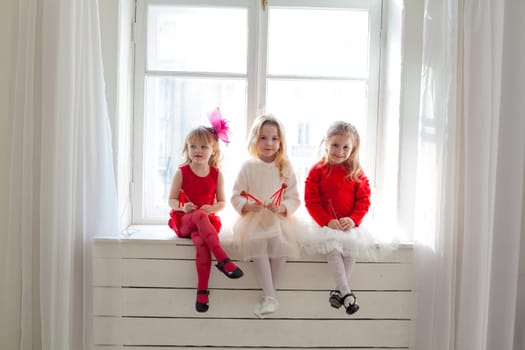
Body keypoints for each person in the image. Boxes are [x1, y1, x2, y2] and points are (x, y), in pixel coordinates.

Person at [168, 108, 243, 313]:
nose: (197, 150)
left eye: (203, 146)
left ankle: (202, 293)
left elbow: (222, 203)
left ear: (213, 150)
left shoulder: (217, 174)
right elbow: (171, 200)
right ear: (187, 148)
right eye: (193, 146)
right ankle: (223, 260)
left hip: (205, 224)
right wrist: (183, 207)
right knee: (199, 215)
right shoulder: (182, 172)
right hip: (184, 221)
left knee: (201, 242)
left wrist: (213, 208)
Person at [231, 114, 301, 318]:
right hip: (254, 218)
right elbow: (235, 194)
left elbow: (294, 198)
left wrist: (282, 208)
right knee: (257, 245)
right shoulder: (248, 167)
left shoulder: (285, 167)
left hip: (278, 218)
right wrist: (247, 206)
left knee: (281, 246)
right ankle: (270, 297)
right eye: (263, 137)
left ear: (281, 142)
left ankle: (271, 296)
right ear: (255, 139)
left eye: (274, 138)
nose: (269, 143)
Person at [303, 121, 372, 315]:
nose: (340, 151)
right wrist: (326, 221)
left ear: (353, 148)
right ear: (326, 143)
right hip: (326, 224)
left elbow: (364, 200)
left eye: (345, 147)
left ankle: (339, 291)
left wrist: (354, 219)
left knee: (351, 249)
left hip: (348, 224)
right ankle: (347, 294)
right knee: (332, 248)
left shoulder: (355, 171)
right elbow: (311, 200)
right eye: (335, 145)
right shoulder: (318, 170)